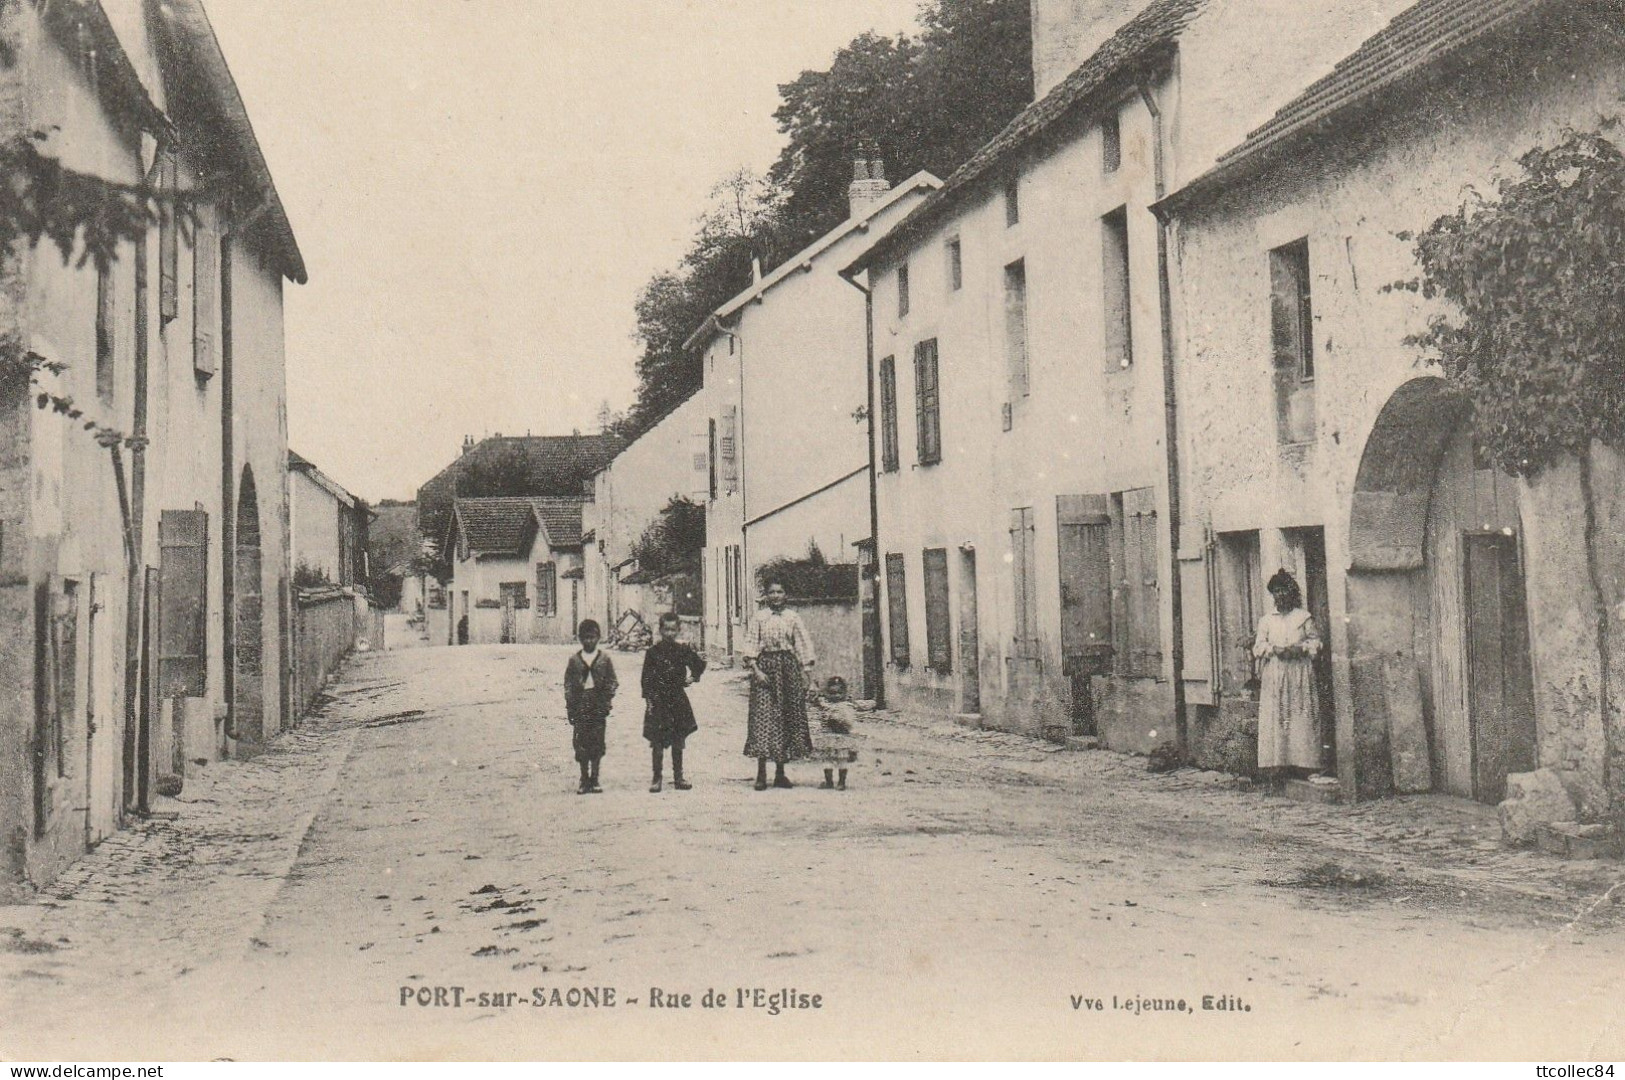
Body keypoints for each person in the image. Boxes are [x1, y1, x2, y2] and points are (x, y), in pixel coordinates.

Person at [741, 580, 815, 790]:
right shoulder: (760, 617)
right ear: (766, 596)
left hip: (788, 669)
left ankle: (781, 773)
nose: (775, 596)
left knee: (786, 717)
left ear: (786, 595)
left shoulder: (793, 618)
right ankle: (761, 773)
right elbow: (750, 644)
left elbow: (802, 645)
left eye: (779, 591)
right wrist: (757, 671)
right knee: (763, 718)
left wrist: (806, 674)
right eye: (771, 592)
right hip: (765, 669)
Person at [1252, 569, 1322, 779]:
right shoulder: (1267, 620)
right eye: (1277, 592)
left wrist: (1300, 649)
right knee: (1278, 714)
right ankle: (1278, 765)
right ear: (1273, 595)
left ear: (1292, 594)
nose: (1281, 596)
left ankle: (1304, 763)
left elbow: (1316, 642)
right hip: (1276, 673)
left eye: (1284, 591)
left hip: (1299, 672)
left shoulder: (1303, 617)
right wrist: (1273, 649)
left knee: (1300, 714)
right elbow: (1258, 647)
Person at [642, 612, 706, 793]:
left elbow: (698, 664)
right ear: (660, 630)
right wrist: (649, 700)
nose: (669, 633)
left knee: (678, 739)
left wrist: (692, 678)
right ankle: (657, 778)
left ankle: (679, 777)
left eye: (673, 629)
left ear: (678, 630)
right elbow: (646, 679)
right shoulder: (652, 653)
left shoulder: (683, 650)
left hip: (677, 699)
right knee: (657, 741)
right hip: (658, 700)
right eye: (666, 629)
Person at [564, 619, 617, 794]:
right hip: (581, 705)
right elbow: (569, 685)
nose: (589, 641)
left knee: (597, 741)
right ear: (580, 639)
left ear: (599, 638)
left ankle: (595, 778)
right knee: (581, 742)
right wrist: (570, 707)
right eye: (585, 638)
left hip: (598, 704)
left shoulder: (604, 659)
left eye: (592, 637)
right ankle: (583, 778)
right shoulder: (574, 661)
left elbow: (612, 681)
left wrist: (607, 699)